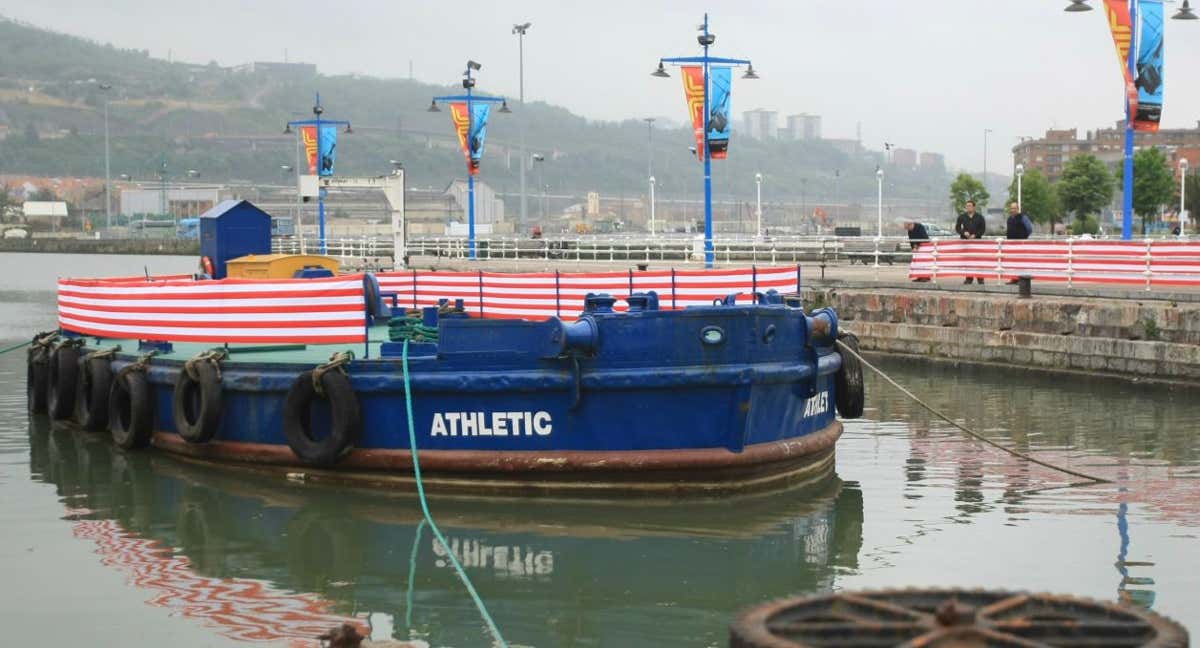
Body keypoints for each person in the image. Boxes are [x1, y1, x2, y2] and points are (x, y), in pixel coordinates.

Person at [954, 200, 987, 284]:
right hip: (966, 242)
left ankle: (980, 278)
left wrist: (975, 235)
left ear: (974, 207)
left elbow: (982, 229)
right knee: (968, 260)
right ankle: (969, 278)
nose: (968, 207)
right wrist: (963, 233)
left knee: (978, 260)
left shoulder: (980, 217)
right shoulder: (962, 217)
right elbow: (957, 228)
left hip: (977, 242)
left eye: (970, 206)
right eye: (967, 206)